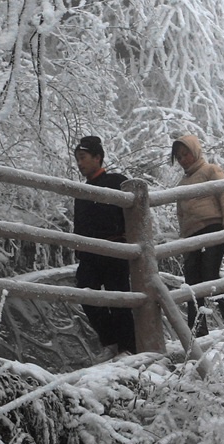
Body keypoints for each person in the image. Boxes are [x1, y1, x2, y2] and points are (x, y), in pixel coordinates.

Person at [73, 135, 136, 354]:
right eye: (77, 159)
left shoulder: (116, 181)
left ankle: (128, 348)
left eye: (83, 157)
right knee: (86, 294)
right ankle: (111, 342)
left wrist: (126, 241)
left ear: (97, 157)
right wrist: (79, 250)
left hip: (115, 249)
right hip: (90, 254)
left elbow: (133, 214)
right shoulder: (80, 192)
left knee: (119, 299)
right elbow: (79, 224)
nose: (79, 164)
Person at [170, 134, 224, 336]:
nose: (183, 160)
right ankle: (198, 333)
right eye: (179, 157)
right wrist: (185, 241)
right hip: (192, 236)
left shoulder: (210, 170)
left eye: (186, 154)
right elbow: (181, 214)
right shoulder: (181, 185)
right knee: (192, 283)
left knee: (210, 275)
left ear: (196, 151)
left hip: (213, 228)